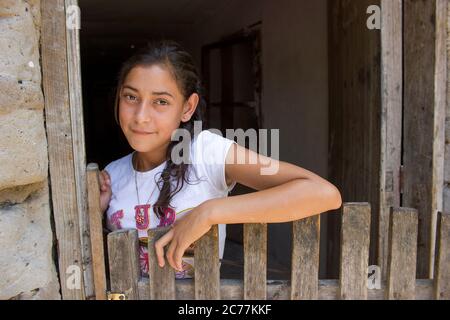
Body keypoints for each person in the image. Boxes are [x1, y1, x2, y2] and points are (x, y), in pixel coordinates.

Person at [99, 40, 342, 279]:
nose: (141, 116)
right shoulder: (113, 174)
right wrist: (95, 209)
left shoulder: (207, 152)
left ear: (187, 107)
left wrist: (210, 212)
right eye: (131, 97)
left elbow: (323, 193)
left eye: (161, 101)